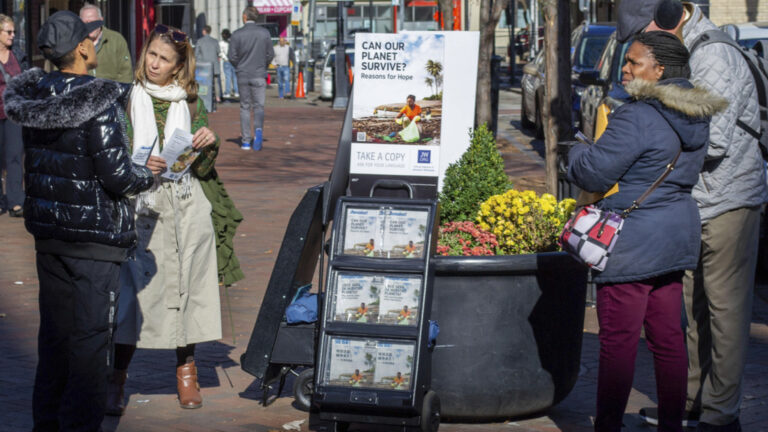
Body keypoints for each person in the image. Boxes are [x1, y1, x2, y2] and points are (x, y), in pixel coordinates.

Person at [566, 31, 727, 432]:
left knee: (618, 343)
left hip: (633, 242)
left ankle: (607, 426)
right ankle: (672, 424)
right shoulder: (695, 115)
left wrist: (575, 149)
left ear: (660, 70)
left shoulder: (637, 114)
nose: (625, 68)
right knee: (669, 340)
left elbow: (592, 171)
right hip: (675, 235)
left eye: (633, 62)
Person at [618, 2, 768, 430]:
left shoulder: (713, 55)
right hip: (695, 201)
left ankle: (721, 416)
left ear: (671, 15)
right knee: (693, 309)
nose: (642, 44)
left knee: (725, 312)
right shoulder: (681, 54)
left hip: (729, 200)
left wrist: (650, 108)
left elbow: (713, 140)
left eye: (644, 32)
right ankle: (692, 402)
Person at [4, 10, 154, 430]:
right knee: (90, 346)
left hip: (50, 234)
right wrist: (151, 174)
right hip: (93, 238)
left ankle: (46, 423)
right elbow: (118, 175)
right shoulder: (98, 101)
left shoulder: (35, 99)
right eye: (90, 40)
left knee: (54, 339)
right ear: (84, 48)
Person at [108, 23, 224, 415]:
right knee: (133, 293)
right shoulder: (126, 99)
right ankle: (117, 376)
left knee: (186, 286)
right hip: (142, 205)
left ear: (178, 67)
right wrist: (139, 164)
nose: (154, 63)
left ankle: (186, 371)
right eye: (151, 55)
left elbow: (204, 169)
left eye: (164, 59)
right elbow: (111, 158)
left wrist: (209, 143)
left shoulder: (191, 102)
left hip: (187, 203)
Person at [228, 6, 274, 150]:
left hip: (243, 74)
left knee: (245, 107)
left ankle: (246, 141)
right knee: (259, 106)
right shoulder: (264, 33)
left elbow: (232, 56)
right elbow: (270, 54)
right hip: (259, 73)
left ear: (244, 17)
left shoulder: (237, 34)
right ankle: (258, 130)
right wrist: (263, 65)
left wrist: (240, 65)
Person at [0, 14, 27, 218]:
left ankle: (16, 201)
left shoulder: (18, 54)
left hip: (13, 113)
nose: (13, 35)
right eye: (8, 32)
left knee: (15, 155)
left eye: (13, 31)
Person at [79, 4, 132, 83]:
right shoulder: (74, 42)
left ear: (101, 20)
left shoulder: (116, 40)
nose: (90, 26)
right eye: (85, 22)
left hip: (111, 92)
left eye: (93, 22)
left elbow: (125, 73)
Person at [194, 25, 221, 110]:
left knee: (203, 83)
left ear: (204, 31)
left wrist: (199, 60)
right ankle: (217, 97)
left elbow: (196, 54)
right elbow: (218, 52)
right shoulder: (215, 41)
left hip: (204, 66)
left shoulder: (200, 41)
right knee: (216, 82)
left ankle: (203, 97)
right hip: (214, 65)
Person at [219, 29, 238, 98]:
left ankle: (227, 92)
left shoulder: (221, 43)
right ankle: (236, 91)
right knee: (235, 77)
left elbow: (220, 52)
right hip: (234, 61)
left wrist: (225, 58)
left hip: (227, 61)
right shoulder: (234, 41)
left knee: (228, 77)